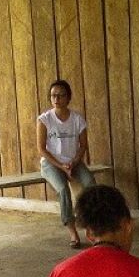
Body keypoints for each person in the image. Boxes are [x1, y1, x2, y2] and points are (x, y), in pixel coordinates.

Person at [37, 79, 95, 248]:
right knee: (62, 189)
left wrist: (73, 163)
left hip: (73, 162)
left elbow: (83, 145)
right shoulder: (44, 119)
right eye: (53, 95)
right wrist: (61, 166)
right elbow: (41, 149)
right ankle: (72, 230)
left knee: (90, 184)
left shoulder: (77, 119)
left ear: (68, 98)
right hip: (51, 163)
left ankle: (91, 225)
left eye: (61, 95)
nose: (57, 99)